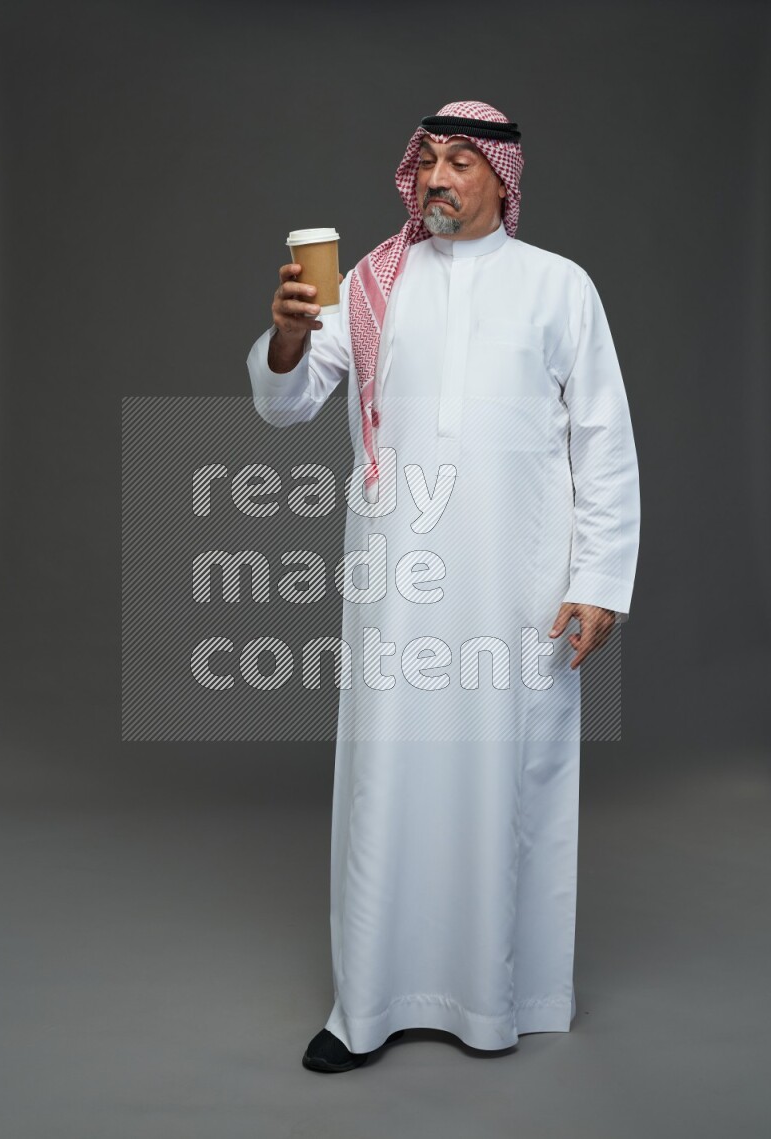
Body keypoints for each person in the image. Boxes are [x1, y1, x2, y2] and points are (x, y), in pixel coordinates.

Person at [246, 99, 640, 1073]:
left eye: (460, 161)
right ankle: (367, 1006)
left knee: (506, 782)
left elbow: (603, 440)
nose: (436, 178)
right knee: (389, 780)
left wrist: (597, 580)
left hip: (519, 590)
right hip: (401, 589)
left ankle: (496, 998)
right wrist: (289, 335)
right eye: (426, 159)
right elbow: (289, 404)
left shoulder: (558, 288)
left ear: (499, 178)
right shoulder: (373, 287)